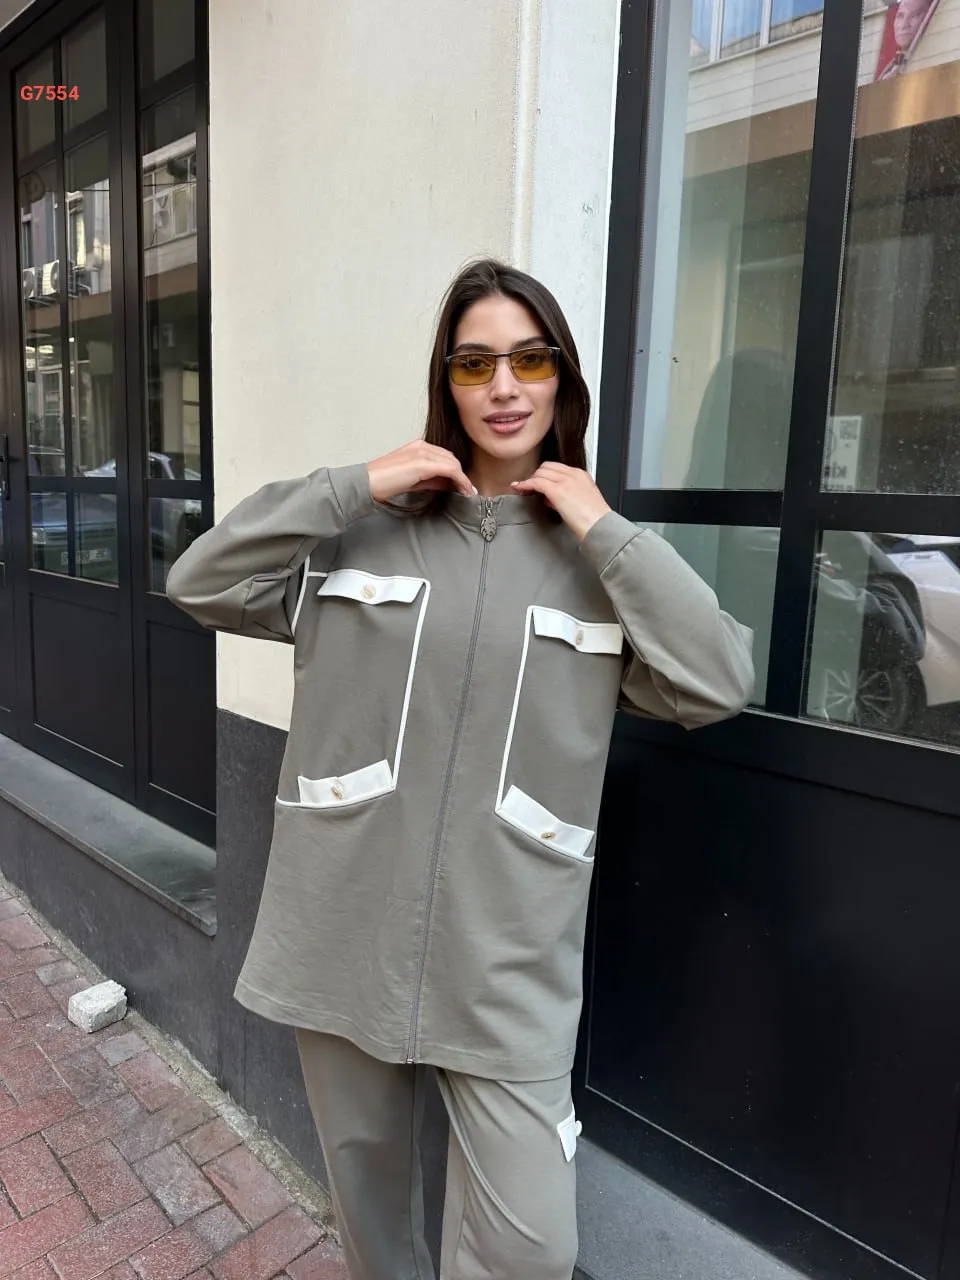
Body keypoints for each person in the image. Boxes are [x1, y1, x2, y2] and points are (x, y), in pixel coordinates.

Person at [166, 259, 755, 1280]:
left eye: (531, 359)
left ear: (564, 378)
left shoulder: (599, 564)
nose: (505, 387)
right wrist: (356, 483)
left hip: (507, 956)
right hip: (345, 928)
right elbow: (199, 578)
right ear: (447, 382)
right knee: (372, 1220)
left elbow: (718, 681)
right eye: (475, 363)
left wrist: (606, 529)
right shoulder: (363, 534)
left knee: (532, 1245)